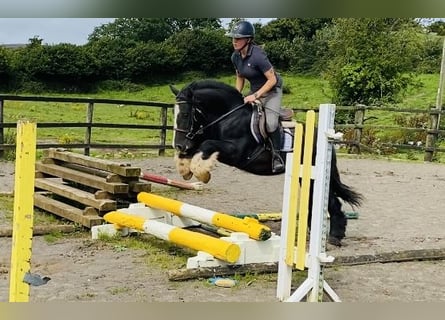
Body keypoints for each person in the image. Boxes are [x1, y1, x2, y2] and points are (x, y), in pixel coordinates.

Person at [226, 20, 285, 173]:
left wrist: (256, 95)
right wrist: (235, 95)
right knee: (238, 115)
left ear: (248, 40)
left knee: (271, 123)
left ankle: (276, 156)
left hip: (271, 91)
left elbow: (272, 80)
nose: (234, 41)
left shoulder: (258, 55)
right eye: (233, 38)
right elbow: (240, 77)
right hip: (254, 92)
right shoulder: (235, 57)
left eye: (238, 38)